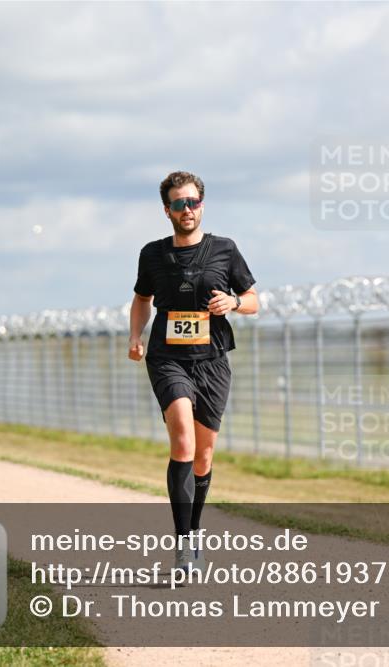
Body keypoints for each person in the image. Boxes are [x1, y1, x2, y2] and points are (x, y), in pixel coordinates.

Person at [128, 170, 258, 575]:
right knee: (182, 440)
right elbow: (141, 298)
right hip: (168, 358)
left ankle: (195, 530)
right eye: (179, 204)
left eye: (193, 202)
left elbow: (253, 299)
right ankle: (183, 545)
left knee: (203, 454)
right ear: (166, 210)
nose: (188, 209)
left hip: (213, 360)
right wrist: (136, 335)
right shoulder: (152, 254)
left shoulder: (225, 249)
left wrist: (233, 304)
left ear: (202, 204)